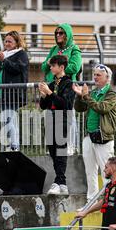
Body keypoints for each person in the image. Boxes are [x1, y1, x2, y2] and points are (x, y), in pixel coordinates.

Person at [73, 64, 116, 203]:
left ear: (107, 78)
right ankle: (91, 199)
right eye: (94, 74)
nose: (95, 77)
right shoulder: (92, 93)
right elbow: (79, 108)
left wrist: (86, 96)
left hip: (103, 138)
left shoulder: (111, 94)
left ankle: (109, 200)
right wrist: (80, 96)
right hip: (89, 136)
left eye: (98, 75)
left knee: (107, 171)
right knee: (90, 170)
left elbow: (102, 108)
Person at [41, 24, 82, 156]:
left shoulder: (74, 49)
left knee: (69, 116)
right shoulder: (54, 49)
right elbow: (43, 66)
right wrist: (50, 64)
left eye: (61, 33)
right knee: (52, 115)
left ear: (68, 35)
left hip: (67, 85)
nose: (58, 35)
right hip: (53, 85)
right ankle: (53, 146)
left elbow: (75, 67)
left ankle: (70, 145)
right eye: (57, 33)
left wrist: (60, 68)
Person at [39, 55, 76, 195]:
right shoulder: (51, 83)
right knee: (53, 150)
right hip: (50, 117)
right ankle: (61, 182)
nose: (51, 67)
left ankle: (60, 181)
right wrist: (44, 95)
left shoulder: (68, 83)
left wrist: (49, 93)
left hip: (62, 118)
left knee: (60, 149)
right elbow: (44, 106)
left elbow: (64, 104)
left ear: (61, 67)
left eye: (53, 65)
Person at [0, 30, 29, 151]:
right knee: (10, 119)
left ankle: (13, 146)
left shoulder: (21, 54)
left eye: (10, 41)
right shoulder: (3, 54)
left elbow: (18, 68)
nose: (6, 43)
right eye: (5, 41)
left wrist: (3, 61)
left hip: (12, 93)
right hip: (1, 93)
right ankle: (12, 145)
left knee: (8, 119)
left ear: (16, 43)